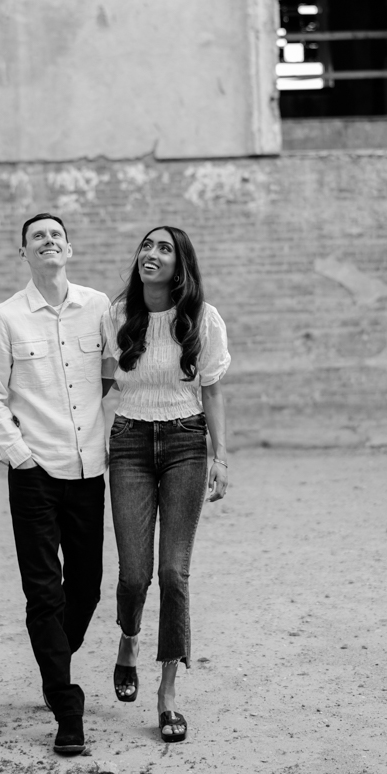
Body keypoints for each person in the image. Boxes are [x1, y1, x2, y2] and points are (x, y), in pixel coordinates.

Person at [0, 212, 111, 756]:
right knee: (42, 592)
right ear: (24, 254)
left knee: (88, 586)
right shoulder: (5, 318)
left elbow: (114, 369)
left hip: (89, 471)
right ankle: (65, 703)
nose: (48, 241)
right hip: (34, 475)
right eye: (38, 237)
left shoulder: (99, 307)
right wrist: (20, 456)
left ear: (69, 249)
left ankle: (54, 654)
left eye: (56, 235)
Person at [101, 225, 230, 743]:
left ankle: (168, 694)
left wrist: (222, 456)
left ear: (180, 264)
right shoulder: (115, 316)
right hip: (129, 443)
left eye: (164, 249)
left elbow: (214, 392)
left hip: (184, 444)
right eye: (146, 246)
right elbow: (100, 388)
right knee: (135, 576)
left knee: (173, 573)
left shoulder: (202, 318)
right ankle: (129, 640)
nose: (150, 254)